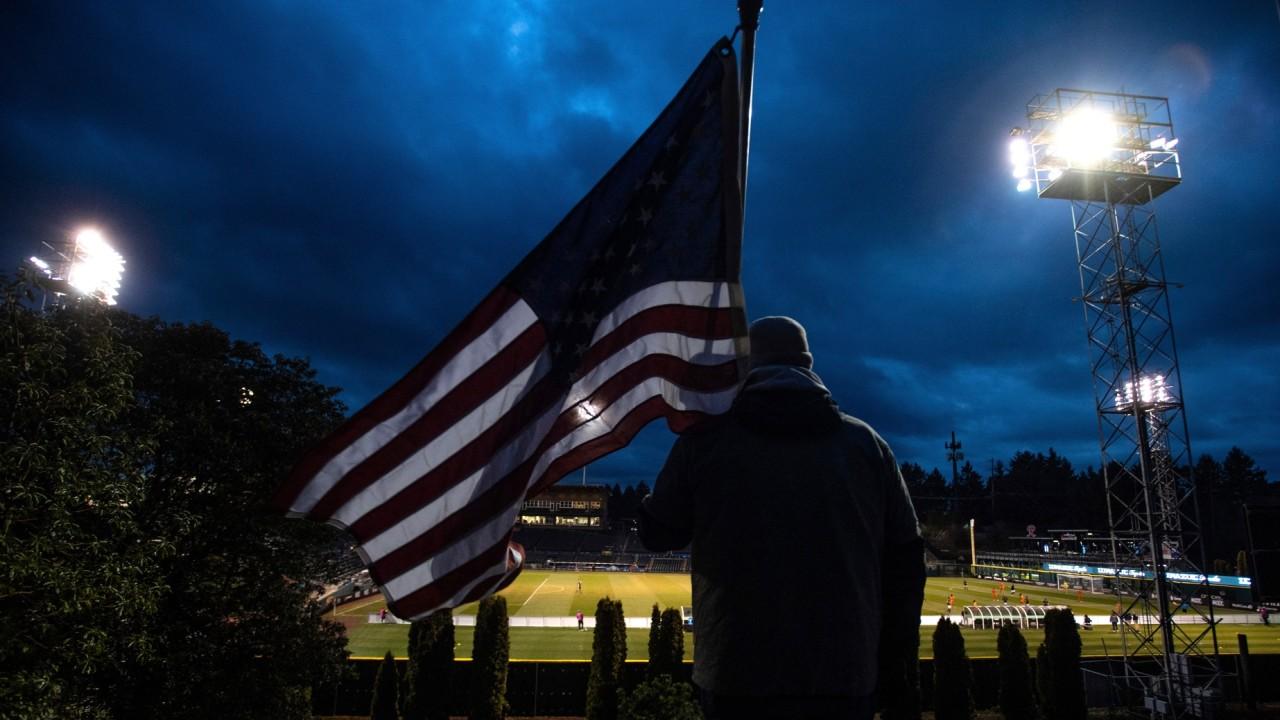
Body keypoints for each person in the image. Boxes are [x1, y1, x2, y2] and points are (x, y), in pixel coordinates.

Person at [639, 316, 925, 720]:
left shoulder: (705, 442)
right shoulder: (867, 445)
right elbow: (907, 562)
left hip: (736, 675)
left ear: (746, 368)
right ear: (808, 365)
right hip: (845, 675)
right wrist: (897, 669)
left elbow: (657, 532)